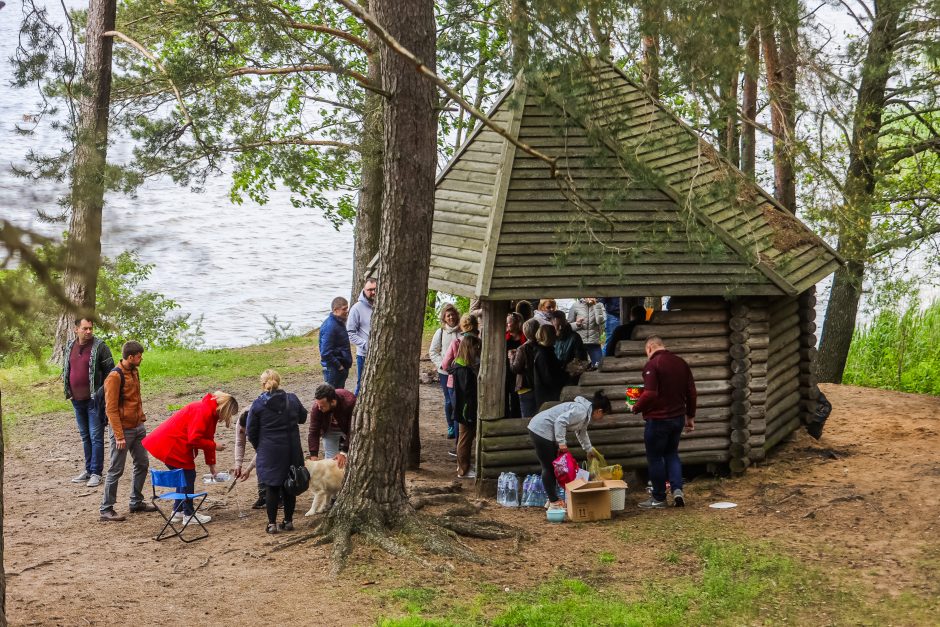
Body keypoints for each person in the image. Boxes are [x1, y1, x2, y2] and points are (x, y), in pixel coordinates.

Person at [142, 392, 239, 525]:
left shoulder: (209, 413)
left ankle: (178, 511)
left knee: (183, 477)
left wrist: (212, 465)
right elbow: (195, 439)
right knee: (188, 476)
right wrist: (214, 446)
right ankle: (189, 514)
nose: (224, 419)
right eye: (227, 415)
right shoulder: (203, 411)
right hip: (171, 446)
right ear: (224, 409)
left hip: (170, 444)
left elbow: (207, 438)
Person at [631, 336, 697, 509]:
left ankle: (659, 497)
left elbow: (650, 393)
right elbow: (691, 392)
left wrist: (635, 407)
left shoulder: (653, 365)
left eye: (647, 351)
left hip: (658, 420)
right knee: (672, 454)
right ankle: (677, 490)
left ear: (651, 347)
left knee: (655, 458)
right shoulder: (681, 363)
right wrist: (690, 416)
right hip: (677, 419)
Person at [99, 341, 157, 521]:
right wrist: (118, 435)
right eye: (139, 356)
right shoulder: (114, 377)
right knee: (116, 469)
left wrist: (141, 420)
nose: (142, 358)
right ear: (130, 357)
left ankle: (136, 502)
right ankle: (106, 509)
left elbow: (135, 399)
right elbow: (111, 409)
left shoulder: (134, 371)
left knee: (142, 463)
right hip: (123, 431)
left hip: (138, 427)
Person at [246, 369, 308, 534]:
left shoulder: (258, 404)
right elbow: (303, 417)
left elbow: (251, 431)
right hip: (292, 448)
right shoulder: (292, 399)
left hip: (269, 450)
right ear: (279, 382)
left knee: (272, 487)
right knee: (290, 483)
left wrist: (260, 446)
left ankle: (272, 524)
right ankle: (288, 521)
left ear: (262, 384)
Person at [527, 391, 611, 507]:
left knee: (554, 466)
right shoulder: (581, 412)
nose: (602, 418)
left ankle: (552, 499)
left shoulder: (585, 414)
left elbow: (582, 433)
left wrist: (589, 450)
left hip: (545, 430)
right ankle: (553, 501)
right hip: (541, 429)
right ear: (599, 411)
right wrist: (562, 443)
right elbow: (560, 422)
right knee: (549, 467)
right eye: (604, 415)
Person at [63, 317, 114, 488]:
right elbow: (67, 369)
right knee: (85, 437)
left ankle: (96, 473)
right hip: (76, 400)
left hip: (94, 401)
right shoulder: (70, 346)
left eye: (90, 328)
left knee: (96, 436)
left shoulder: (100, 346)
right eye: (85, 328)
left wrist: (102, 395)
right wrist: (68, 391)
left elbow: (111, 374)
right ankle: (88, 469)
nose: (89, 331)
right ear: (76, 329)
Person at [428, 303, 461, 439]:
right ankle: (451, 426)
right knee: (448, 401)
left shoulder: (461, 331)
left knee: (458, 399)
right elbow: (433, 351)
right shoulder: (440, 332)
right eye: (448, 315)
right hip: (445, 373)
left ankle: (459, 424)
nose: (451, 317)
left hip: (460, 372)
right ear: (444, 318)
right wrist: (441, 365)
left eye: (453, 314)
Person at [451, 335, 482, 479]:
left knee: (466, 438)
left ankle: (465, 465)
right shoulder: (463, 369)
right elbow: (467, 392)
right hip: (465, 409)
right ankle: (463, 469)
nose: (477, 350)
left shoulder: (462, 365)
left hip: (465, 407)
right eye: (476, 348)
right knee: (465, 439)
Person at [307, 383, 354, 466]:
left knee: (351, 458)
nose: (319, 408)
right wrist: (313, 455)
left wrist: (343, 452)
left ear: (333, 402)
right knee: (331, 462)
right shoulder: (317, 407)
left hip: (347, 428)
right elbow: (313, 432)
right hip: (329, 430)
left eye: (322, 406)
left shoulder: (349, 402)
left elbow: (353, 430)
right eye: (317, 404)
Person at [347, 278, 376, 395]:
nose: (373, 292)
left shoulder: (384, 305)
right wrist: (365, 345)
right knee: (362, 384)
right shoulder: (356, 308)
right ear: (364, 290)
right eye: (370, 290)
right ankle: (355, 409)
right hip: (364, 355)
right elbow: (350, 333)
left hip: (382, 354)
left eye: (375, 289)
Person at [232, 411, 266, 509]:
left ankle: (279, 497)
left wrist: (249, 469)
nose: (246, 435)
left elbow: (262, 449)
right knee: (261, 462)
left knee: (270, 462)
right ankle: (263, 496)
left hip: (277, 440)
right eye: (243, 432)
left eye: (247, 433)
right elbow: (239, 443)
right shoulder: (241, 422)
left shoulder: (263, 425)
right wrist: (238, 464)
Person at [510, 318, 542, 418]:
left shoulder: (522, 348)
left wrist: (511, 357)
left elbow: (515, 368)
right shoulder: (542, 346)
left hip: (525, 387)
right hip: (539, 386)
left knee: (527, 418)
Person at [319, 296, 352, 390]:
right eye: (344, 309)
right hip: (333, 369)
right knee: (332, 397)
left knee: (339, 396)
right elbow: (325, 352)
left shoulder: (339, 322)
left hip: (339, 368)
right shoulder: (330, 326)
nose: (347, 311)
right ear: (335, 310)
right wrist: (339, 366)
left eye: (347, 308)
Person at [532, 324, 567, 409]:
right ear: (549, 336)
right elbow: (549, 378)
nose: (556, 336)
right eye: (554, 333)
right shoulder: (543, 354)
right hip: (547, 397)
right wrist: (566, 376)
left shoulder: (546, 351)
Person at [550, 310, 588, 384]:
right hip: (554, 378)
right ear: (551, 323)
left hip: (570, 378)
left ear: (566, 322)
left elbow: (581, 359)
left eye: (562, 324)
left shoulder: (575, 337)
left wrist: (568, 374)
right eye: (557, 325)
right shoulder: (549, 338)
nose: (560, 328)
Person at [567, 298, 606, 367]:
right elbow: (568, 326)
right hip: (580, 343)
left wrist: (595, 306)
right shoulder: (575, 305)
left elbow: (600, 322)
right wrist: (577, 324)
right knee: (579, 368)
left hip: (594, 342)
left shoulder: (599, 305)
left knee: (599, 366)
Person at [505, 312, 526, 418]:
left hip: (519, 374)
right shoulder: (504, 338)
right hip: (505, 373)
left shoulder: (524, 339)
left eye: (508, 323)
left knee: (516, 400)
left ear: (517, 324)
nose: (506, 325)